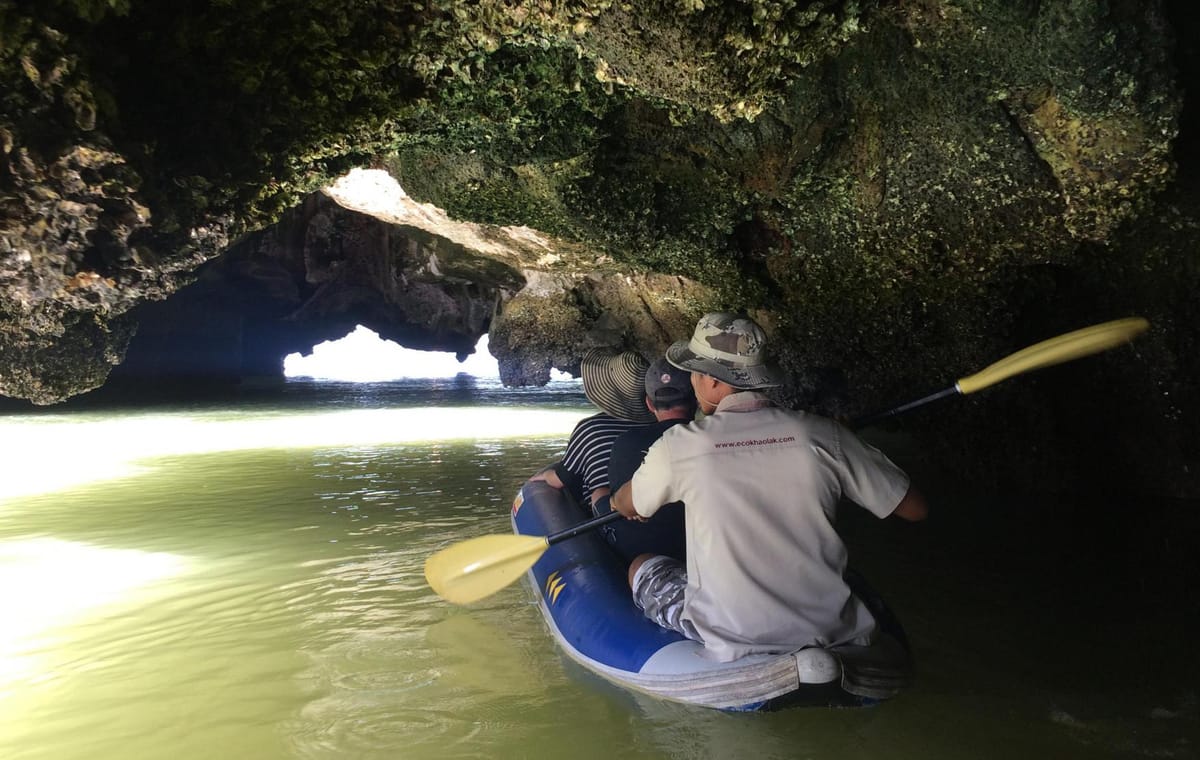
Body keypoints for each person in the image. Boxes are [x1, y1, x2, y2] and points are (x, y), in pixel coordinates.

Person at [612, 312, 928, 663]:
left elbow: (629, 505)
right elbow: (915, 509)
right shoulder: (822, 433)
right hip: (833, 632)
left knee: (642, 565)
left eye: (695, 375)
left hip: (734, 635)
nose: (693, 383)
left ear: (713, 382)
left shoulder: (680, 445)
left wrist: (616, 500)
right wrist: (846, 442)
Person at [594, 357, 697, 565]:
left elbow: (624, 504)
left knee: (600, 494)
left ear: (649, 403)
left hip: (640, 557)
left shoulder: (625, 443)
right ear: (696, 398)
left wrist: (614, 503)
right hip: (696, 547)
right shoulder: (711, 440)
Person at [529, 347, 654, 508]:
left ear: (606, 388)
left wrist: (546, 475)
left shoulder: (591, 429)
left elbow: (562, 480)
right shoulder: (659, 427)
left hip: (607, 517)